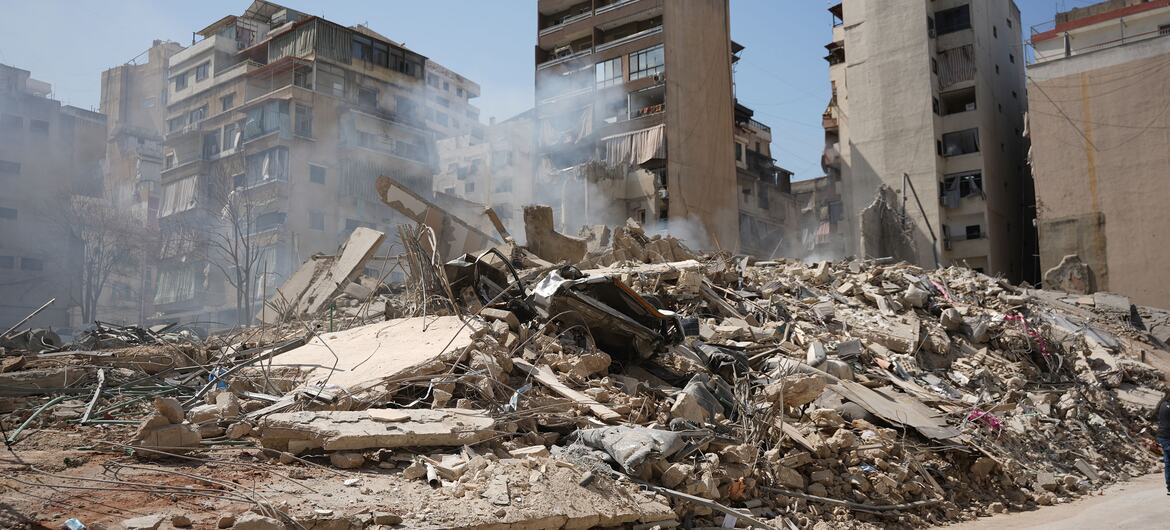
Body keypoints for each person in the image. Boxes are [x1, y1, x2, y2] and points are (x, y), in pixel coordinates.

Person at [1157, 393, 1170, 495]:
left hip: (1162, 436)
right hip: (1168, 436)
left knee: (1168, 462)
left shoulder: (1162, 404)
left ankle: (1169, 486)